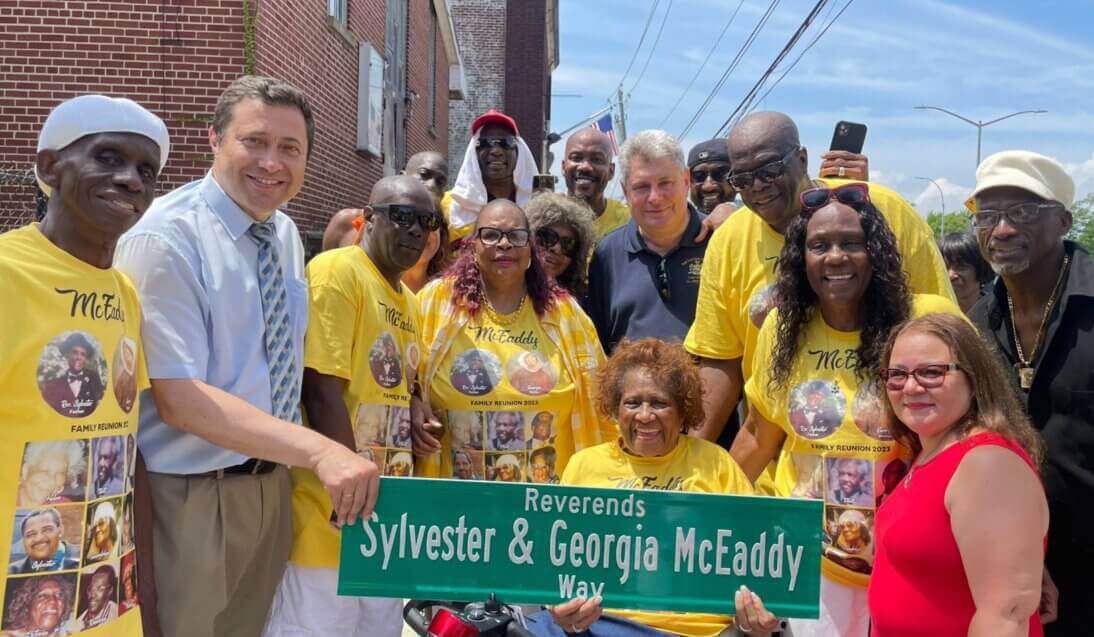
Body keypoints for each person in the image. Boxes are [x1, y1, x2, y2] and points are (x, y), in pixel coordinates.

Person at [114, 75, 378, 636]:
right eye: (253, 141)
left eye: (289, 148)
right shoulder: (166, 238)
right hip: (191, 500)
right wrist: (322, 452)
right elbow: (180, 399)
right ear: (214, 140)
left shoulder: (281, 233)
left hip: (268, 490)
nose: (270, 162)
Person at [733, 183, 962, 636]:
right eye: (819, 246)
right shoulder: (783, 327)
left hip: (913, 557)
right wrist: (692, 511)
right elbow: (760, 436)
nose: (835, 257)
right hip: (813, 564)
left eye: (852, 244)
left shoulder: (925, 320)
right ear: (801, 259)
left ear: (876, 252)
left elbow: (980, 433)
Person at [0, 93, 168, 636]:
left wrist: (145, 596)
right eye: (108, 158)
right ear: (49, 166)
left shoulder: (124, 290)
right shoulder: (7, 273)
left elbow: (123, 446)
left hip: (104, 601)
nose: (130, 180)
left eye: (146, 169)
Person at [684, 111, 955, 447]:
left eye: (770, 169)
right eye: (742, 179)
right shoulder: (729, 242)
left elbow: (945, 342)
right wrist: (687, 464)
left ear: (802, 159)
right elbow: (720, 358)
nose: (757, 186)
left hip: (893, 456)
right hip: (783, 467)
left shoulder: (884, 210)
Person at [264, 174, 434, 637]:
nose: (415, 230)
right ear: (370, 219)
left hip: (381, 522)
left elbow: (394, 385)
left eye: (426, 221)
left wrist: (417, 407)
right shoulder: (339, 271)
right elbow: (318, 386)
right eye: (401, 216)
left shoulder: (410, 302)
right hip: (328, 519)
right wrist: (349, 493)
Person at [525, 339, 778, 637]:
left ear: (683, 412)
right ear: (615, 409)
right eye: (632, 403)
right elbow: (555, 565)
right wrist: (562, 609)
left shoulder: (716, 464)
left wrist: (753, 619)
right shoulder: (584, 466)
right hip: (602, 626)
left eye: (659, 403)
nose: (645, 415)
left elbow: (757, 557)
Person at [965, 150, 1093, 634]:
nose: (1000, 229)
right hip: (1015, 568)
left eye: (1021, 213)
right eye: (988, 215)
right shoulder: (978, 324)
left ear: (1062, 219)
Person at [870, 313, 1048, 636]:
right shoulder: (929, 452)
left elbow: (1005, 616)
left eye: (931, 372)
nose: (911, 386)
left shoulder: (987, 465)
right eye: (897, 374)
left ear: (973, 377)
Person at [413, 199, 613, 484]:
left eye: (516, 236)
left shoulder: (567, 315)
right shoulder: (434, 302)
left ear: (531, 249)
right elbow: (403, 378)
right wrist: (412, 402)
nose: (504, 244)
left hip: (547, 509)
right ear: (473, 245)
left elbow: (603, 407)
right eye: (491, 235)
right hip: (453, 511)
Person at [584, 130, 712, 356]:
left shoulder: (719, 241)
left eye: (665, 183)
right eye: (642, 186)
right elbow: (597, 347)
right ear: (625, 191)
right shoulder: (607, 254)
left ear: (685, 181)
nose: (654, 197)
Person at [442, 110, 538, 241]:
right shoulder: (449, 205)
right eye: (486, 143)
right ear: (474, 152)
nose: (496, 151)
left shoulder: (536, 205)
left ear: (519, 152)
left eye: (506, 143)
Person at [561, 127, 631, 239]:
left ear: (611, 171)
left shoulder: (629, 223)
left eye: (597, 159)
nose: (585, 167)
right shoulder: (544, 219)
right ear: (563, 167)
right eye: (576, 158)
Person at [401, 150, 452, 292]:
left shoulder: (448, 291)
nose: (431, 185)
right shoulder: (350, 225)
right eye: (424, 175)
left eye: (429, 220)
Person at [526, 192, 596, 296]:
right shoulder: (503, 289)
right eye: (548, 237)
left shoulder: (579, 305)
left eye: (567, 244)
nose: (556, 249)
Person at [40, 332, 105, 418]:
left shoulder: (94, 378)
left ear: (85, 359)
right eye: (75, 352)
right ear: (67, 355)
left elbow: (100, 407)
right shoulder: (55, 385)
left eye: (83, 354)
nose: (78, 357)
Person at [8, 508, 80, 574]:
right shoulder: (12, 572)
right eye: (31, 534)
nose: (39, 538)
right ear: (23, 540)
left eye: (47, 530)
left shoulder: (83, 555)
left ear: (60, 530)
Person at [16, 441, 86, 506]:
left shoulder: (63, 506)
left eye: (60, 473)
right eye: (45, 471)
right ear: (26, 470)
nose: (52, 481)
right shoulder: (8, 497)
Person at [1, 574, 76, 635]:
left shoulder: (70, 629)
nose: (53, 601)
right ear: (27, 603)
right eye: (43, 596)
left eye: (59, 595)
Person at [938, 231, 994, 313]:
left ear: (981, 269)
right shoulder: (929, 314)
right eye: (944, 268)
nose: (950, 275)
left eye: (960, 267)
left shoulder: (999, 314)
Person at [688, 138, 737, 215]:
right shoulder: (675, 224)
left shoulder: (754, 220)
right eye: (699, 176)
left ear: (735, 177)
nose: (708, 186)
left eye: (719, 174)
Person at [77, 564, 119, 629]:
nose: (92, 594)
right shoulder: (79, 621)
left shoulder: (115, 614)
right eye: (91, 588)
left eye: (100, 589)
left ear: (110, 591)